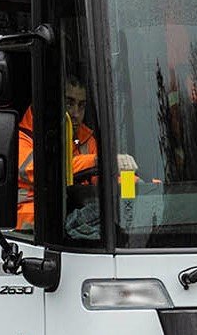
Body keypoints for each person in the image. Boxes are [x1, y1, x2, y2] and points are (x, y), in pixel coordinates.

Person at [15, 77, 133, 230]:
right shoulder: (20, 139)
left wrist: (137, 188)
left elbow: (107, 178)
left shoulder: (86, 140)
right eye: (69, 103)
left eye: (81, 106)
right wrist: (101, 161)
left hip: (73, 226)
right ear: (50, 104)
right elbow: (48, 169)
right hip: (29, 234)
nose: (76, 113)